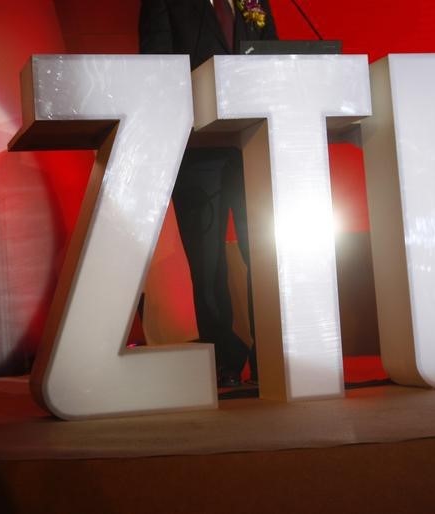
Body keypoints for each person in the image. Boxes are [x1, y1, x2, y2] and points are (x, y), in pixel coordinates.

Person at [139, 0, 278, 387]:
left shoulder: (255, 2)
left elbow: (275, 58)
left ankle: (273, 354)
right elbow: (156, 66)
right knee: (208, 263)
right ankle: (224, 359)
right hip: (198, 149)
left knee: (266, 254)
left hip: (254, 143)